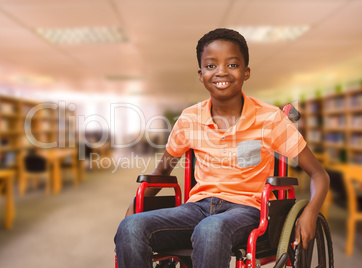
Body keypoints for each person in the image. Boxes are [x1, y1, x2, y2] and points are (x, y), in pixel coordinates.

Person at [114, 28, 329, 268]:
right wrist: (133, 208)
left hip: (247, 211)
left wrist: (310, 212)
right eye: (211, 65)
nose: (221, 72)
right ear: (201, 74)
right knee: (131, 226)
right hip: (197, 208)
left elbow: (319, 174)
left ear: (246, 72)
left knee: (211, 228)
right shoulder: (189, 119)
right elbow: (163, 171)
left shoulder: (270, 118)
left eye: (233, 65)